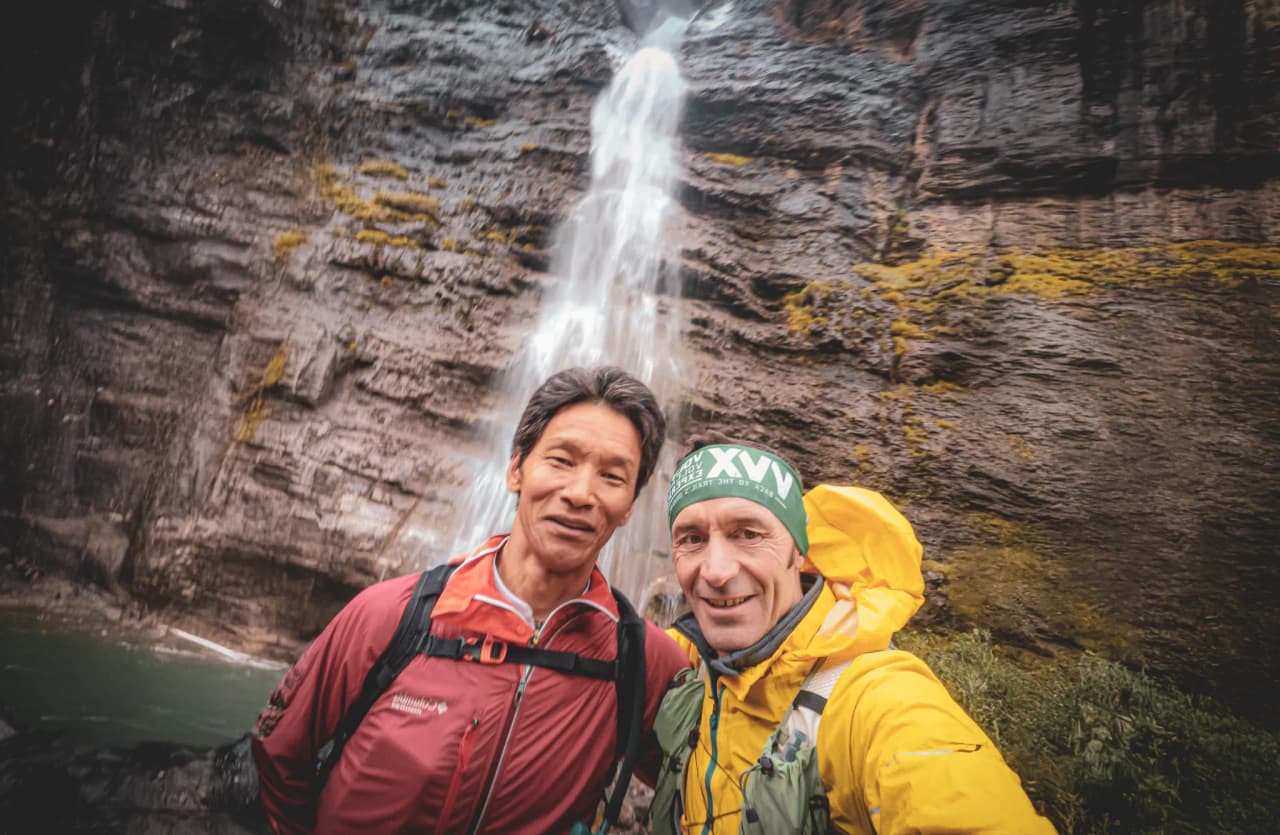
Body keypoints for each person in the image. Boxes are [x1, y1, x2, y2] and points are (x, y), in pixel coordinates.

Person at [252, 366, 691, 834]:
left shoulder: (642, 661)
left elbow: (704, 787)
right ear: (516, 468)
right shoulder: (391, 616)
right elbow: (280, 753)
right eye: (561, 461)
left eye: (612, 476)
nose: (581, 494)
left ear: (628, 507)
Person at [648, 433, 1056, 834]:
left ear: (799, 552)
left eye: (749, 534)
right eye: (692, 539)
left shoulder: (876, 697)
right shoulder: (688, 662)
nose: (717, 571)